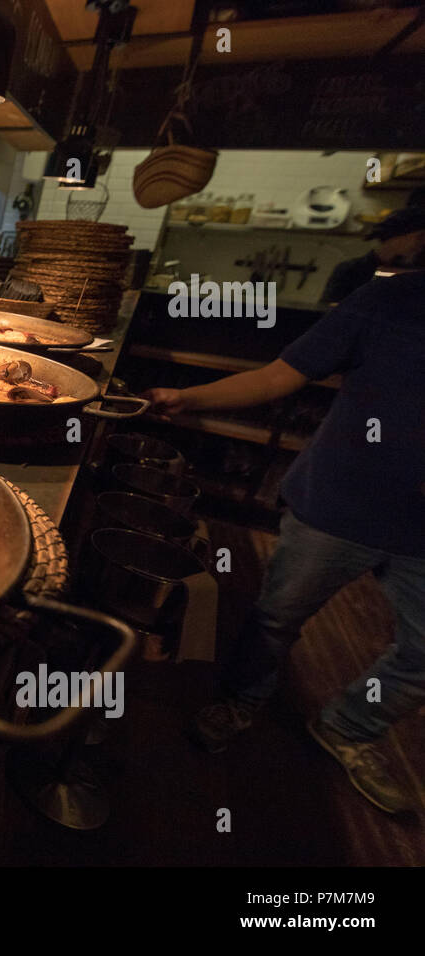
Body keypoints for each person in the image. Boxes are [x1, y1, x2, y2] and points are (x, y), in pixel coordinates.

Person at [143, 270, 425, 814]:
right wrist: (189, 397)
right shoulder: (393, 298)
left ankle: (349, 727)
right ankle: (238, 701)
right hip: (337, 506)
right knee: (277, 617)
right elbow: (281, 376)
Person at [320, 205, 425, 305]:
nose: (422, 243)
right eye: (420, 237)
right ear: (397, 237)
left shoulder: (415, 274)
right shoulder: (350, 270)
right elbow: (330, 311)